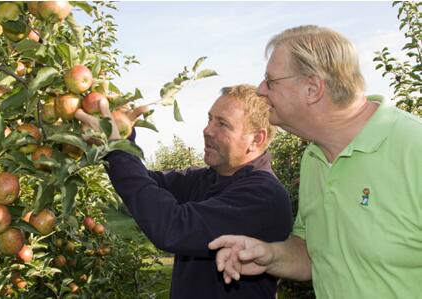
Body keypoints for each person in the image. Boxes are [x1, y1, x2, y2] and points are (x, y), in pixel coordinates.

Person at [208, 25, 422, 299]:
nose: (261, 90)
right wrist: (270, 255)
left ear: (312, 88)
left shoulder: (413, 150)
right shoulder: (314, 158)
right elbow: (315, 255)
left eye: (270, 81)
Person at [75, 84, 293, 298]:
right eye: (210, 119)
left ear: (256, 139)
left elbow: (172, 227)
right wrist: (122, 139)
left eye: (223, 124)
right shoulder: (207, 179)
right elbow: (143, 183)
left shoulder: (263, 197)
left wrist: (116, 149)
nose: (207, 130)